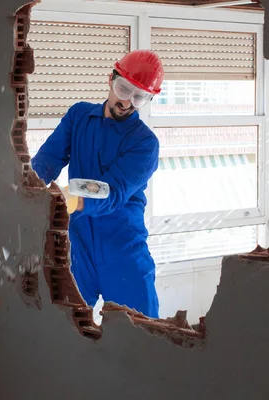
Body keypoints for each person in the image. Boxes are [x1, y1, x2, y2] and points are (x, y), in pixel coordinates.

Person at [31, 50, 164, 318]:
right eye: (123, 89)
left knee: (141, 340)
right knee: (65, 330)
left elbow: (111, 192)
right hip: (77, 249)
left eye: (139, 97)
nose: (127, 102)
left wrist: (68, 198)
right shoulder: (79, 116)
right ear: (110, 79)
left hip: (123, 252)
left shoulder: (144, 143)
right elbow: (47, 161)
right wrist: (26, 187)